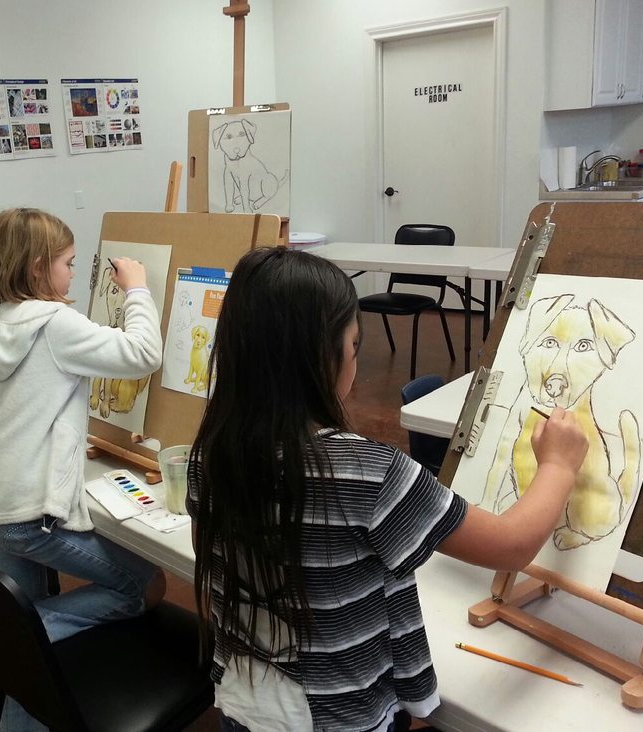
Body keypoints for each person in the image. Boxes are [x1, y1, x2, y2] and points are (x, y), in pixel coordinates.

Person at [186, 247, 589, 732]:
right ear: (322, 358)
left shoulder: (210, 453)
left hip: (244, 704)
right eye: (355, 345)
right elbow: (513, 545)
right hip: (341, 719)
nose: (356, 359)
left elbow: (215, 558)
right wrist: (559, 466)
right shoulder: (369, 473)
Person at [0, 208, 167, 730]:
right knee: (142, 586)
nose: (74, 273)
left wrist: (44, 423)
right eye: (69, 263)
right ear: (38, 268)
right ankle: (7, 639)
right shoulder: (56, 323)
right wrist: (137, 289)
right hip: (26, 513)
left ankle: (20, 672)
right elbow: (143, 353)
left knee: (31, 612)